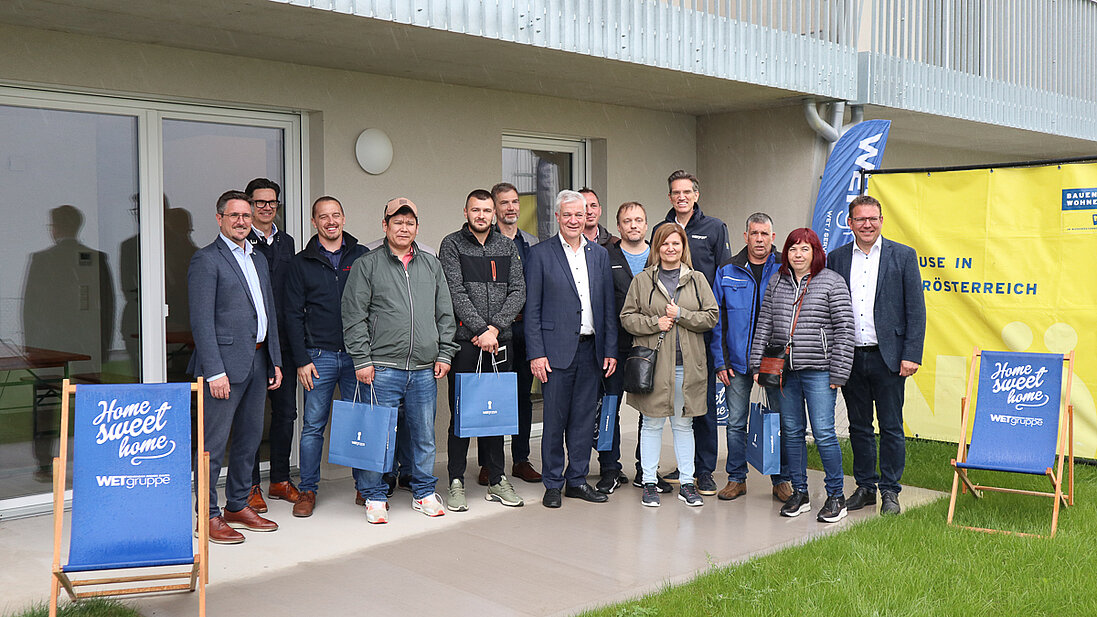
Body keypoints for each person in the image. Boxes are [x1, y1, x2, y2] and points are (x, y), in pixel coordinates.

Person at [342, 197, 458, 524]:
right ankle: (374, 496)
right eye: (397, 222)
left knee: (423, 435)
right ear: (385, 226)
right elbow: (353, 316)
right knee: (378, 436)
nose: (404, 227)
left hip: (423, 369)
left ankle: (423, 493)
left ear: (416, 228)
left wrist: (445, 352)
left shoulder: (431, 265)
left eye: (410, 223)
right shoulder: (368, 264)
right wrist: (362, 360)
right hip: (381, 368)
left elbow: (445, 314)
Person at [187, 190, 283, 544]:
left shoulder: (256, 258)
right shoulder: (206, 260)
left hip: (258, 361)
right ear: (220, 219)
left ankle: (237, 504)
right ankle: (208, 513)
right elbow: (201, 321)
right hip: (223, 368)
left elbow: (267, 311)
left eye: (246, 215)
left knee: (249, 439)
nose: (242, 221)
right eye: (234, 216)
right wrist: (214, 371)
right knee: (212, 443)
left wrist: (274, 359)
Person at [827, 195, 926, 516]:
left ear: (881, 221)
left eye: (873, 219)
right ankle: (866, 487)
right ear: (850, 223)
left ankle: (890, 491)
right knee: (858, 426)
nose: (867, 224)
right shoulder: (836, 258)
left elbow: (916, 309)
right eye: (860, 219)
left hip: (891, 358)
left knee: (892, 426)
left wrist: (911, 354)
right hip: (850, 357)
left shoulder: (904, 256)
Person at [750, 228, 853, 523]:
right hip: (785, 372)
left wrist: (840, 371)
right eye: (793, 248)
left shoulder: (832, 281)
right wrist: (758, 364)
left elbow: (845, 329)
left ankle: (836, 496)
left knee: (823, 433)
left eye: (805, 249)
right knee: (792, 434)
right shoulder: (777, 282)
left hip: (820, 371)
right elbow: (765, 323)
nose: (798, 254)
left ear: (815, 252)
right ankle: (800, 492)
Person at [524, 190, 618, 508]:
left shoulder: (599, 255)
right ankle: (553, 482)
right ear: (558, 217)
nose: (574, 220)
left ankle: (577, 480)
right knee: (554, 420)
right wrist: (536, 354)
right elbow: (532, 310)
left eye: (580, 214)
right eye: (568, 215)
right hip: (554, 353)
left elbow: (605, 307)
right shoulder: (540, 255)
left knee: (581, 420)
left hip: (591, 351)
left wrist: (610, 350)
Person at [439, 189, 527, 511]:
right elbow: (455, 291)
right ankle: (456, 481)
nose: (481, 215)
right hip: (467, 343)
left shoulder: (507, 246)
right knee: (462, 413)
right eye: (476, 210)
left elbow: (518, 290)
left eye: (486, 210)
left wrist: (495, 328)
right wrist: (480, 329)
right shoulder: (451, 245)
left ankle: (497, 480)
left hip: (500, 343)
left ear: (494, 214)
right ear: (466, 212)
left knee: (496, 414)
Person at [621, 223, 718, 507]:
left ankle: (687, 483)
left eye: (676, 243)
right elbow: (627, 317)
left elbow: (711, 316)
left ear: (683, 246)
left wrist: (681, 314)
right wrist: (655, 323)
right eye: (665, 244)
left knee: (683, 425)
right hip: (654, 368)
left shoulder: (697, 279)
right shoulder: (642, 280)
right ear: (657, 247)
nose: (670, 248)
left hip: (686, 368)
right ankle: (649, 482)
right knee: (651, 425)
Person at [282, 196, 368, 517]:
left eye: (336, 215)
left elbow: (374, 305)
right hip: (318, 357)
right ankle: (308, 489)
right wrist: (302, 359)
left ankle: (365, 486)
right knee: (313, 426)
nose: (330, 221)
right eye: (323, 217)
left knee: (360, 421)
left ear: (344, 218)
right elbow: (291, 315)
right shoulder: (300, 262)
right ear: (314, 222)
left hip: (356, 356)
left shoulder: (361, 256)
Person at [650, 170, 731, 496]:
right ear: (670, 197)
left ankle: (705, 470)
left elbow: (722, 276)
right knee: (668, 404)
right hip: (667, 331)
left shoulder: (714, 228)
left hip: (700, 330)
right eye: (675, 192)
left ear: (696, 195)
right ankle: (681, 466)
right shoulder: (660, 229)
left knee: (702, 405)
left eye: (687, 192)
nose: (681, 197)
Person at [710, 213, 793, 503]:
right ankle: (736, 478)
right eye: (754, 233)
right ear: (745, 237)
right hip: (737, 364)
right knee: (735, 422)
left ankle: (781, 480)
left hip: (775, 362)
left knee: (780, 421)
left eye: (765, 234)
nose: (759, 239)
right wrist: (721, 362)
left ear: (773, 237)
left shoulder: (785, 267)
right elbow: (717, 319)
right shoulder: (728, 269)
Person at [241, 178, 300, 513]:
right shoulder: (241, 241)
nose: (266, 207)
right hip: (253, 344)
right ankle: (249, 486)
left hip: (284, 343)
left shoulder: (287, 242)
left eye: (271, 202)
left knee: (286, 413)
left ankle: (278, 479)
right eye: (259, 202)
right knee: (250, 417)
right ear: (249, 205)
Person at [603, 202, 666, 494]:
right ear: (618, 227)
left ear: (646, 224)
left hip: (651, 346)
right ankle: (610, 469)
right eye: (627, 221)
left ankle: (646, 471)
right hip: (615, 347)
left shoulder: (659, 257)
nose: (633, 225)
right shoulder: (606, 256)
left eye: (638, 220)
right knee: (609, 408)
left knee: (648, 411)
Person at [488, 182, 541, 484]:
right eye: (504, 203)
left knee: (523, 396)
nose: (511, 208)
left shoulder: (531, 243)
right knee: (492, 396)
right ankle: (488, 462)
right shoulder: (486, 241)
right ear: (494, 208)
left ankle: (521, 459)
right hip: (495, 331)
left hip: (525, 329)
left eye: (515, 202)